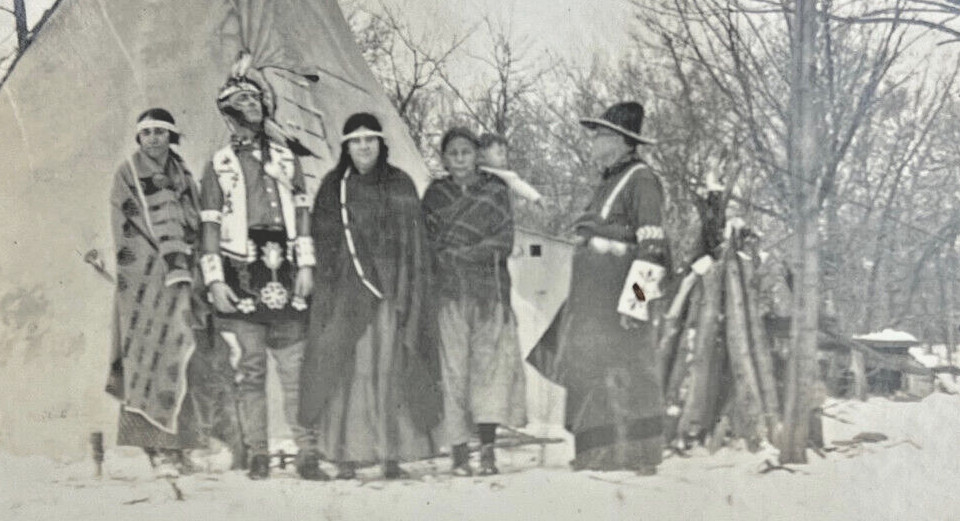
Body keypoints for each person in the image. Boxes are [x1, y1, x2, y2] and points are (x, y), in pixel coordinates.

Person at [298, 112, 441, 480]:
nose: (364, 147)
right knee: (349, 371)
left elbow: (415, 245)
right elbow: (324, 243)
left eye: (370, 140)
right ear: (347, 147)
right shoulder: (334, 187)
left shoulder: (401, 184)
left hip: (391, 295)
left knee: (391, 370)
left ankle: (392, 455)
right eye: (356, 141)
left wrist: (404, 285)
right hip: (348, 294)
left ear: (381, 143)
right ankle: (348, 454)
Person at [529, 101, 669, 475]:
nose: (593, 141)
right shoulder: (608, 181)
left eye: (602, 135)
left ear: (623, 141)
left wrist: (635, 304)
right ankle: (595, 453)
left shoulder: (641, 180)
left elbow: (653, 248)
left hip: (618, 301)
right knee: (589, 369)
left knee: (628, 373)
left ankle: (637, 456)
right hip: (592, 300)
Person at [198, 63, 322, 480]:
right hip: (240, 268)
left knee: (295, 367)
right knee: (250, 369)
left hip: (284, 267)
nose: (251, 105)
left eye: (255, 98)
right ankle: (258, 454)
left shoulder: (288, 159)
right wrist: (214, 279)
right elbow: (210, 224)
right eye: (241, 100)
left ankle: (307, 452)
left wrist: (306, 264)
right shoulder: (219, 164)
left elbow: (302, 213)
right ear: (228, 112)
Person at [105, 108, 206, 476]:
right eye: (146, 133)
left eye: (160, 132)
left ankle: (180, 446)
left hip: (183, 281)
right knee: (149, 358)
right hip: (147, 285)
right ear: (139, 138)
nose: (153, 139)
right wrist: (162, 268)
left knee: (183, 357)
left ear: (171, 136)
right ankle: (156, 449)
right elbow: (127, 228)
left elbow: (194, 221)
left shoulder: (183, 174)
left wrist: (190, 264)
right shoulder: (128, 174)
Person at [422, 127, 527, 477]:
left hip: (489, 294)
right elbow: (429, 245)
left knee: (489, 372)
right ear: (445, 159)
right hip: (450, 295)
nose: (461, 159)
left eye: (466, 152)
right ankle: (459, 452)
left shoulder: (496, 192)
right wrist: (457, 258)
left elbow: (504, 241)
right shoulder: (435, 195)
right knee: (454, 372)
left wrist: (461, 254)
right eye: (453, 153)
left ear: (476, 155)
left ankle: (488, 450)